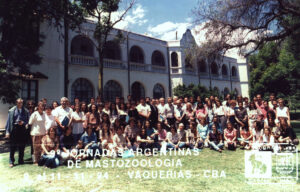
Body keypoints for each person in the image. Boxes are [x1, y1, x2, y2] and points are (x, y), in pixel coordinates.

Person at [5, 98, 29, 167]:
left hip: (22, 129)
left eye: (21, 103)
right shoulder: (12, 111)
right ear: (16, 103)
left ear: (22, 103)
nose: (20, 104)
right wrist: (7, 132)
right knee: (13, 146)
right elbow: (8, 122)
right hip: (14, 129)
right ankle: (11, 161)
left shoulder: (26, 111)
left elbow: (28, 120)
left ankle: (21, 160)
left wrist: (24, 123)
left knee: (22, 146)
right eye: (18, 103)